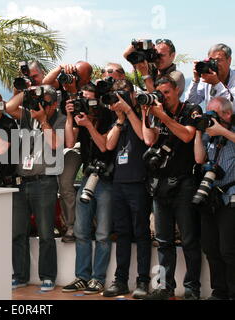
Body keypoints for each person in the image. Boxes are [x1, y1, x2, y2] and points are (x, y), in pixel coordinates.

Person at [141, 76, 202, 300]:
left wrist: (163, 117)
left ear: (177, 90)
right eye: (161, 93)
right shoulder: (157, 111)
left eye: (167, 92)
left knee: (188, 240)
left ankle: (192, 288)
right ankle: (166, 287)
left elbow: (187, 135)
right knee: (164, 241)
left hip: (184, 182)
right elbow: (148, 140)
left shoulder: (191, 109)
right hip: (159, 184)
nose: (164, 97)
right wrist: (146, 111)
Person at [6, 85, 66, 292]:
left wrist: (43, 120)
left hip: (45, 181)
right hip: (21, 182)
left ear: (55, 104)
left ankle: (48, 276)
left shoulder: (60, 118)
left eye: (46, 103)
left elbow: (57, 145)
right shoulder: (27, 114)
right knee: (17, 233)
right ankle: (20, 275)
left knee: (46, 233)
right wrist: (28, 91)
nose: (41, 106)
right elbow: (8, 106)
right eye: (39, 102)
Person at [61, 82, 115, 295]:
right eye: (81, 98)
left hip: (106, 180)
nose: (84, 102)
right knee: (82, 230)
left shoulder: (108, 117)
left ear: (98, 99)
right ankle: (82, 277)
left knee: (102, 233)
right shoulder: (80, 118)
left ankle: (98, 278)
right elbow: (69, 141)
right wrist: (69, 117)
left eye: (88, 98)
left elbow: (103, 146)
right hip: (87, 176)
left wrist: (90, 125)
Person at [102, 80, 151, 299]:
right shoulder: (117, 118)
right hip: (119, 182)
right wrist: (120, 120)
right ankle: (120, 280)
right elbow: (109, 145)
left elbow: (144, 137)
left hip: (139, 182)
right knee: (122, 233)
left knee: (141, 234)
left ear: (132, 94)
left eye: (123, 95)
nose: (118, 99)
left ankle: (143, 281)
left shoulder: (141, 111)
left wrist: (129, 111)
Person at [43, 61, 93, 243]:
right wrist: (60, 69)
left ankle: (72, 225)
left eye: (79, 76)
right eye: (74, 74)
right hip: (61, 141)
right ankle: (61, 222)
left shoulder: (90, 91)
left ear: (88, 77)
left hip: (80, 144)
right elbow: (46, 83)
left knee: (65, 182)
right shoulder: (63, 85)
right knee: (52, 183)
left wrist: (73, 91)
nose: (74, 78)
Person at [194, 97, 235, 300]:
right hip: (209, 197)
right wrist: (199, 131)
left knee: (229, 249)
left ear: (227, 114)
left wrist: (223, 131)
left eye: (213, 114)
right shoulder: (208, 135)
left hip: (230, 198)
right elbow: (199, 159)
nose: (209, 118)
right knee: (210, 247)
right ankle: (219, 291)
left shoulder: (231, 131)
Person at [185, 44, 235, 112]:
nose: (214, 64)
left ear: (229, 60)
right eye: (211, 61)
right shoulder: (207, 79)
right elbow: (190, 102)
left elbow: (232, 108)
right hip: (211, 120)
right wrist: (195, 80)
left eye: (218, 60)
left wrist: (216, 84)